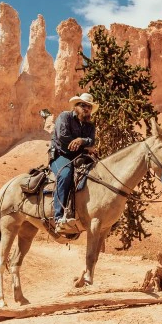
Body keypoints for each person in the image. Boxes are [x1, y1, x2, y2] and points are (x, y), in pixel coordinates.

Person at [49, 93, 98, 233]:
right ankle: (58, 217)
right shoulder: (65, 117)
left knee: (99, 172)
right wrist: (84, 144)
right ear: (76, 106)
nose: (86, 108)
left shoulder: (90, 126)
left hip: (79, 156)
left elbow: (92, 141)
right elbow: (63, 137)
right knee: (65, 174)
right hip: (60, 154)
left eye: (89, 106)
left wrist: (81, 141)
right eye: (83, 105)